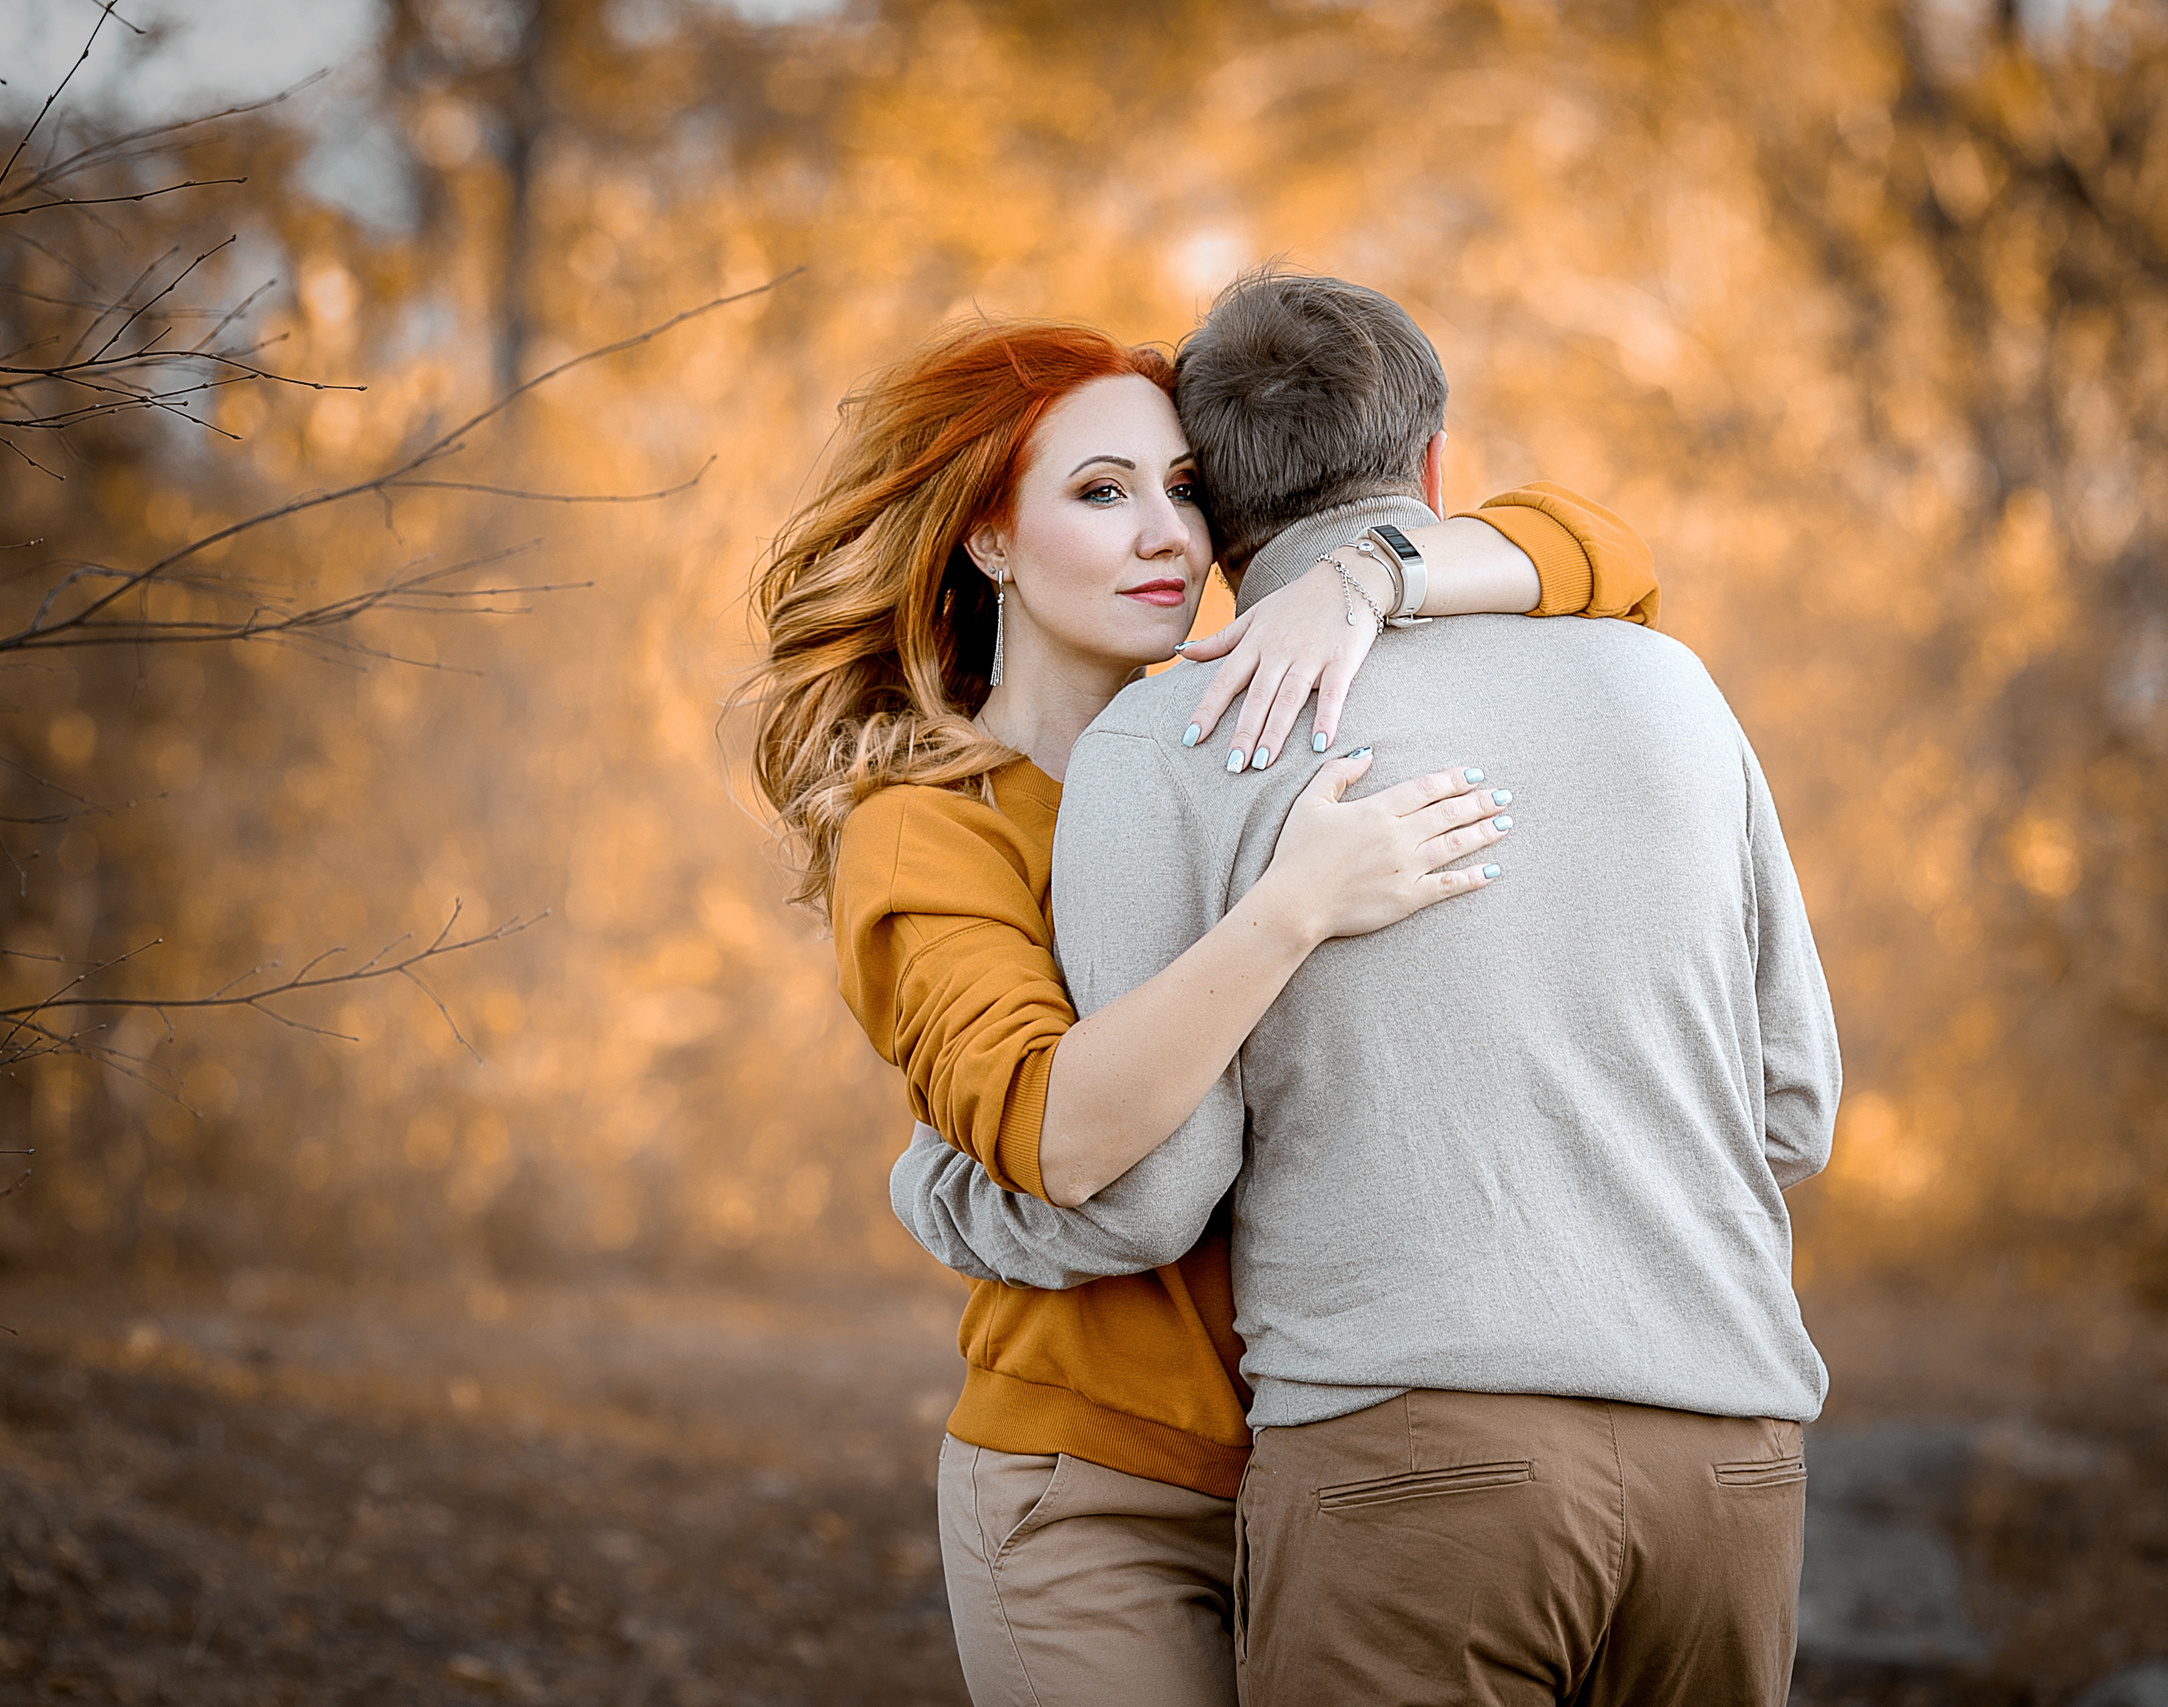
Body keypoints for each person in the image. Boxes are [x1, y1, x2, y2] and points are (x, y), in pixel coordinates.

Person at [893, 273, 1838, 1706]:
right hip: (1736, 1463)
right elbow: (1794, 1108)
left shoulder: (1175, 740)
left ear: (1217, 517)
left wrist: (936, 1192)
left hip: (1409, 1468)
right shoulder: (1673, 687)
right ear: (1437, 463)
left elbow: (1148, 1194)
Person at [747, 315, 1659, 1707]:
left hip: (1341, 1474)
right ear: (991, 540)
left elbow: (1610, 556)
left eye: (1184, 491)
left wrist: (1368, 576)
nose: (1164, 535)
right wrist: (1290, 909)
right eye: (1100, 494)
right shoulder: (928, 832)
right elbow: (1058, 1131)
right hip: (1098, 1491)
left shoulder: (1263, 708)